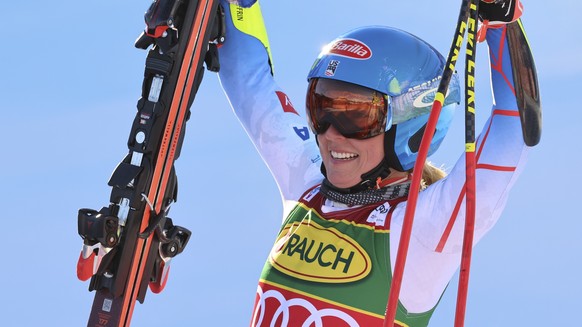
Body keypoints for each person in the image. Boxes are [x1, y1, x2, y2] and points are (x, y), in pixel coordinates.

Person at [216, 0, 536, 326]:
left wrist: (501, 21)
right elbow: (246, 77)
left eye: (356, 116)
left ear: (409, 127)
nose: (330, 135)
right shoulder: (306, 184)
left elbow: (514, 129)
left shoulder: (423, 228)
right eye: (321, 108)